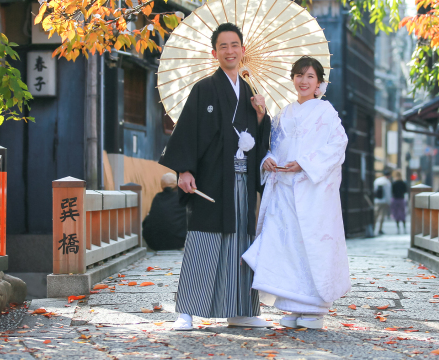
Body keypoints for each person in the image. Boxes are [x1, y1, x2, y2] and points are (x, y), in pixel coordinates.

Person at [159, 23, 272, 331]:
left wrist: (262, 116)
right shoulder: (204, 89)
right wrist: (184, 170)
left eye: (235, 45)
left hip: (242, 181)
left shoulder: (251, 92)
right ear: (215, 53)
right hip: (211, 179)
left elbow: (262, 141)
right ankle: (186, 310)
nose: (230, 51)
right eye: (223, 46)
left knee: (241, 242)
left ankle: (241, 310)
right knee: (204, 241)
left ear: (243, 51)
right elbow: (188, 133)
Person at [242, 56, 350, 330]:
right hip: (285, 190)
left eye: (310, 76)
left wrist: (304, 162)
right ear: (293, 79)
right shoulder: (284, 113)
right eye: (299, 75)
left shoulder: (326, 112)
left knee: (311, 245)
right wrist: (267, 158)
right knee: (286, 246)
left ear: (319, 83)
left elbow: (338, 144)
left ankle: (314, 309)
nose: (303, 81)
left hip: (313, 192)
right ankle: (291, 305)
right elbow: (274, 146)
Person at [142, 173, 187, 251]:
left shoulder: (157, 197)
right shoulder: (181, 198)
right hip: (178, 242)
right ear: (177, 185)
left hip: (155, 243)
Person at [373, 170, 392, 235]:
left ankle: (373, 228)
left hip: (377, 201)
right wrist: (389, 202)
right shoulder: (387, 182)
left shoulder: (377, 180)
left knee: (375, 215)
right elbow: (388, 193)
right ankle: (380, 229)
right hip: (384, 201)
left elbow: (374, 191)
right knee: (382, 216)